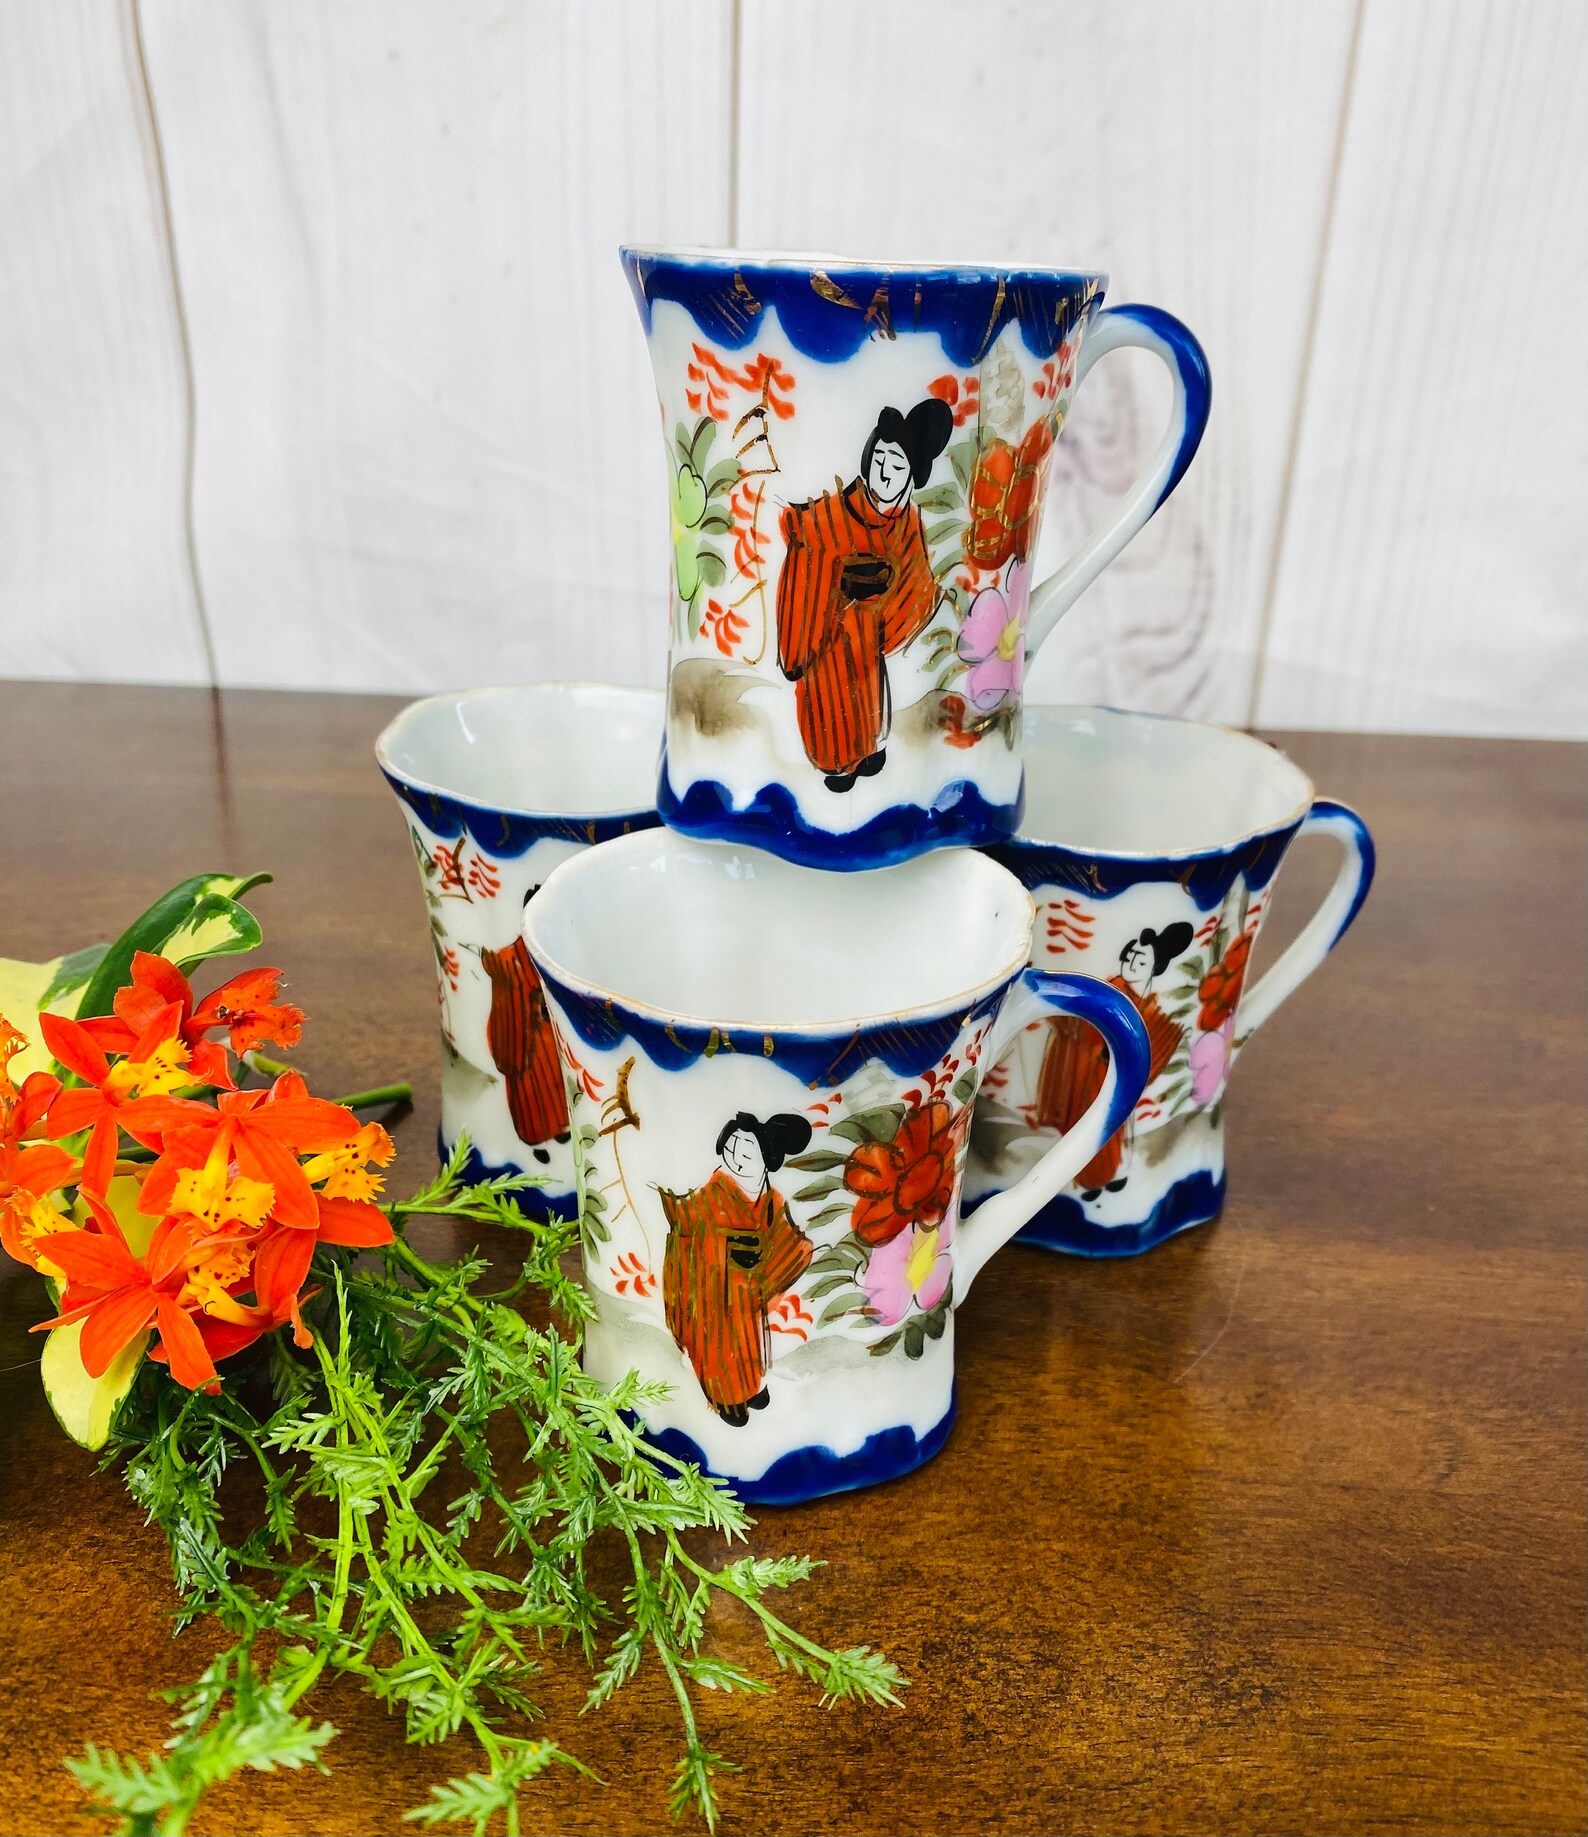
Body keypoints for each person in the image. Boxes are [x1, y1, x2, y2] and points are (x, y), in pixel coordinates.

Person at [776, 398, 954, 791]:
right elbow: (806, 539)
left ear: (912, 475)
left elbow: (917, 579)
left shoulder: (908, 522)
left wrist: (891, 593)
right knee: (831, 700)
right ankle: (835, 765)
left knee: (867, 698)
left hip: (868, 633)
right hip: (827, 635)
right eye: (879, 461)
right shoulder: (831, 516)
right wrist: (838, 584)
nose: (884, 475)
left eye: (897, 466)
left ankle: (868, 751)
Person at [660, 1111, 814, 1425]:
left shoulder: (772, 1200)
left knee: (749, 1340)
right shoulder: (714, 1192)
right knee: (718, 1341)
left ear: (766, 1160)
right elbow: (687, 1219)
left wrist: (791, 1254)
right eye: (730, 1150)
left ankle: (749, 1388)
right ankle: (724, 1399)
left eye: (745, 1153)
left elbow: (786, 1239)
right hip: (713, 1285)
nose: (736, 1159)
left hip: (747, 1290)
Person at [1034, 922, 1194, 1198]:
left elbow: (1156, 1036)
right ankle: (1087, 1182)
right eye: (1130, 955)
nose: (1131, 962)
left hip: (1118, 1077)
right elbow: (1076, 1025)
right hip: (1092, 1074)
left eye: (1140, 959)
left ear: (1155, 968)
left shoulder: (1150, 1003)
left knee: (1115, 1132)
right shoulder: (1109, 990)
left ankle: (1107, 1178)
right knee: (1092, 1128)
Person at [480, 889, 567, 1162]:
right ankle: (534, 1143)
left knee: (555, 1083)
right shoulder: (509, 958)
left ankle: (560, 1128)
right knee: (530, 1092)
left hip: (549, 1035)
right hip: (523, 1037)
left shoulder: (561, 950)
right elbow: (508, 995)